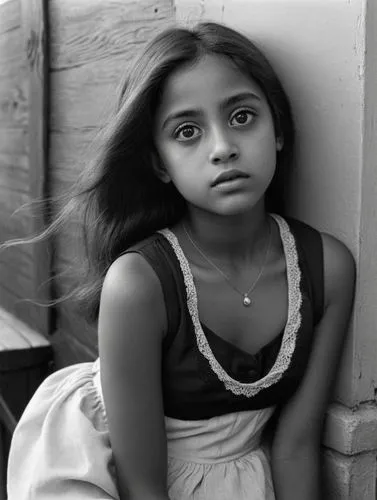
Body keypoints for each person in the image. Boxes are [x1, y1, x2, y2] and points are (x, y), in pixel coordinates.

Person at [7, 21, 355, 500]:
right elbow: (143, 486)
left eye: (242, 117)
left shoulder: (327, 267)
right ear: (159, 163)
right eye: (187, 131)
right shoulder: (139, 283)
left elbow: (295, 446)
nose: (222, 148)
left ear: (278, 127)